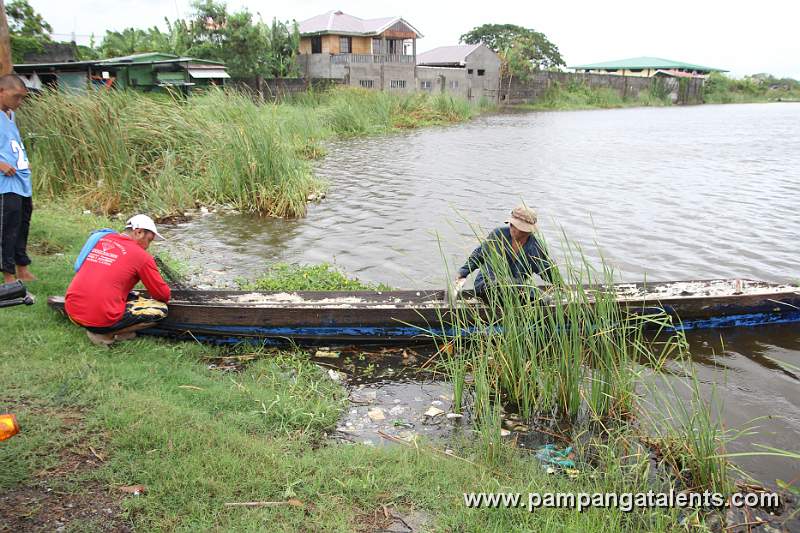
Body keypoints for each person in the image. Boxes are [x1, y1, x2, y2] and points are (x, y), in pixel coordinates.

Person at [65, 214, 171, 346]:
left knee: (131, 295)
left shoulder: (103, 239)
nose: (148, 246)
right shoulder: (142, 256)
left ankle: (98, 327)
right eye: (149, 240)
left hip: (72, 311)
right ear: (138, 232)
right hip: (100, 318)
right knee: (160, 310)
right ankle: (105, 334)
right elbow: (163, 295)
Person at [455, 205, 557, 301]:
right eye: (511, 224)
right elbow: (478, 255)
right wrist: (462, 273)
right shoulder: (498, 235)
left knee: (544, 299)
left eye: (517, 226)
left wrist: (560, 284)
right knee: (501, 285)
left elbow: (547, 271)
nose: (512, 228)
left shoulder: (535, 246)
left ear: (528, 231)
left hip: (516, 289)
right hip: (487, 286)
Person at [0, 74, 35, 284]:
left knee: (23, 224)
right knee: (7, 228)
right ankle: (8, 274)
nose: (19, 102)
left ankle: (23, 267)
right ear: (2, 92)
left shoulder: (10, 115)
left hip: (22, 181)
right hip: (5, 184)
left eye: (22, 98)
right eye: (16, 97)